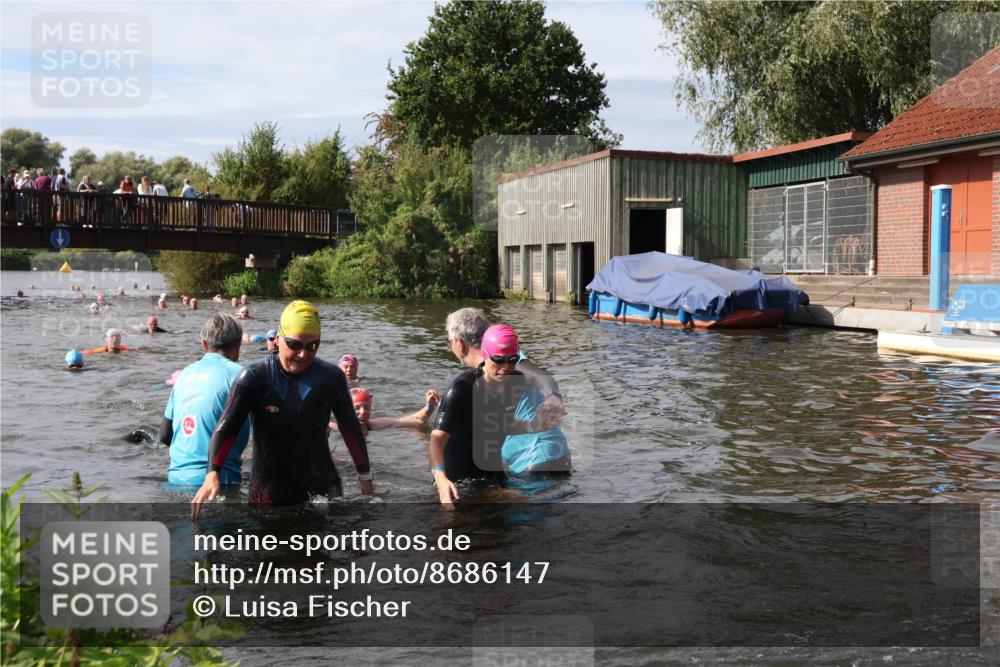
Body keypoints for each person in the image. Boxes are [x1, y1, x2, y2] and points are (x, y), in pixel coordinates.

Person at [191, 300, 373, 518]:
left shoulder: (331, 378)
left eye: (312, 346)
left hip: (322, 490)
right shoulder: (253, 378)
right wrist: (212, 474)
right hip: (268, 492)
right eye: (294, 345)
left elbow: (350, 429)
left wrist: (366, 481)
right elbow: (226, 429)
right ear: (278, 339)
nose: (303, 354)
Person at [429, 322, 563, 505]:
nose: (506, 366)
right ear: (485, 355)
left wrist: (534, 425)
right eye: (499, 359)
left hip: (492, 476)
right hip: (458, 483)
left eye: (512, 359)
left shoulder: (514, 383)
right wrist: (440, 479)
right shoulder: (462, 387)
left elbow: (502, 424)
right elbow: (436, 441)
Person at [442, 308, 571, 476]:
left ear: (458, 343)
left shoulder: (502, 357)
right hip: (552, 453)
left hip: (534, 458)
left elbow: (539, 376)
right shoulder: (483, 375)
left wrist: (554, 397)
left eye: (448, 341)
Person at [159, 314, 251, 486]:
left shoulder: (185, 374)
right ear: (239, 344)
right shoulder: (240, 374)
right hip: (218, 482)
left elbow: (164, 435)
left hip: (176, 478)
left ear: (204, 344)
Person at [331, 387, 440, 434]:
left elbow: (413, 420)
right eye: (357, 408)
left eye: (367, 407)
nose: (363, 412)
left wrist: (430, 406)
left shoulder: (375, 425)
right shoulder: (339, 428)